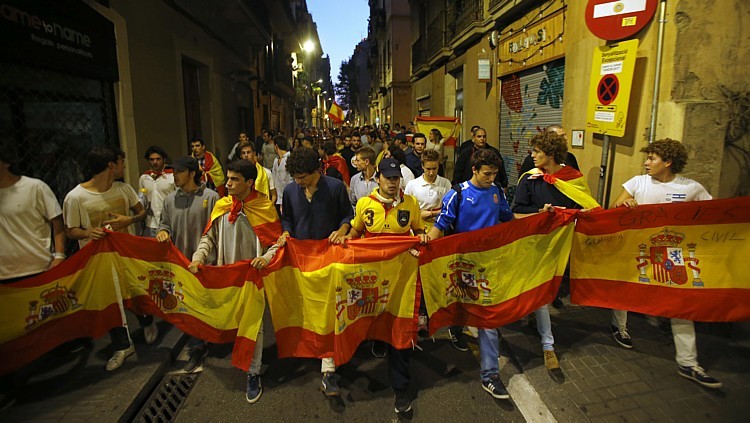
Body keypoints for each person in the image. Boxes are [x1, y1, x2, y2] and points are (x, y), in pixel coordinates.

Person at [610, 138, 721, 389]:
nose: (646, 162)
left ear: (668, 162)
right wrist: (625, 204)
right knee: (624, 291)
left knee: (680, 304)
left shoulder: (691, 188)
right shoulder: (638, 182)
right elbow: (614, 207)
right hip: (638, 249)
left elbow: (712, 214)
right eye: (647, 158)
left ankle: (688, 363)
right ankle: (619, 327)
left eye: (652, 158)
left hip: (672, 254)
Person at [338, 157, 427, 415]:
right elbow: (355, 232)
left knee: (399, 331)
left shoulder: (410, 204)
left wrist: (422, 237)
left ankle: (401, 389)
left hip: (401, 280)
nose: (392, 182)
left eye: (396, 178)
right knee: (368, 321)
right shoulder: (365, 204)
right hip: (371, 279)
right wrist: (345, 239)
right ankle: (373, 343)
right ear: (378, 178)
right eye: (388, 178)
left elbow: (420, 230)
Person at [424, 149, 514, 400]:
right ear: (474, 170)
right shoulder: (458, 193)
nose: (491, 178)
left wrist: (542, 216)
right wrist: (423, 244)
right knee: (460, 302)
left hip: (489, 264)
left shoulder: (497, 192)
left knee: (487, 319)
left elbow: (510, 220)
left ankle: (490, 375)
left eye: (494, 174)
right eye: (487, 174)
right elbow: (440, 226)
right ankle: (456, 327)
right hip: (462, 264)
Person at [189, 159, 281, 403]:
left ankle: (253, 372)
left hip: (253, 278)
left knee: (254, 326)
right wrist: (198, 258)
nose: (227, 183)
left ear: (249, 182)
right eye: (228, 178)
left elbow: (276, 244)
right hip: (227, 278)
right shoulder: (222, 205)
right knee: (232, 321)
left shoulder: (264, 207)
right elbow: (209, 237)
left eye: (234, 179)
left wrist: (265, 258)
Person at [511, 131, 600, 372]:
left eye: (537, 152)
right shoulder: (529, 178)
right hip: (536, 243)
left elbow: (586, 208)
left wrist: (577, 214)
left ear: (550, 154)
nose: (532, 155)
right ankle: (548, 345)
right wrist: (540, 213)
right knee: (542, 291)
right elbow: (516, 212)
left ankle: (533, 315)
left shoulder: (574, 178)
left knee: (545, 291)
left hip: (562, 245)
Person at [62, 146, 154, 371]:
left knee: (135, 293)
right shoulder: (75, 197)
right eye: (121, 162)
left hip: (125, 255)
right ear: (111, 166)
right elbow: (70, 230)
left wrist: (129, 220)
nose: (124, 167)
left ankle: (147, 321)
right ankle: (122, 344)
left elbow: (141, 212)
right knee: (110, 302)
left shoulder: (123, 189)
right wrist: (88, 232)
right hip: (97, 260)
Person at [277, 147, 353, 398]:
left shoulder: (335, 187)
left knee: (329, 309)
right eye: (295, 178)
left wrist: (342, 230)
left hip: (329, 259)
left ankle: (328, 368)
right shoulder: (290, 191)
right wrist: (286, 232)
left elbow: (347, 215)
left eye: (303, 177)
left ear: (317, 171)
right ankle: (310, 347)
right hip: (301, 260)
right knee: (306, 307)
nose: (299, 182)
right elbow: (287, 218)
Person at [155, 156, 220, 373]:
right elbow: (164, 225)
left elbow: (217, 229)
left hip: (206, 263)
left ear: (192, 173)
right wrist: (163, 232)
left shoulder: (211, 197)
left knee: (207, 304)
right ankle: (196, 347)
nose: (175, 175)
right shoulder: (169, 200)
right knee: (189, 307)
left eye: (179, 171)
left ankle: (212, 336)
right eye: (174, 172)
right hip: (181, 263)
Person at [404, 149, 451, 335]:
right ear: (422, 166)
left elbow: (448, 209)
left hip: (439, 231)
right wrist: (425, 214)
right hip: (417, 232)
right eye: (428, 168)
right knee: (419, 273)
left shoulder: (445, 183)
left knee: (437, 272)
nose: (431, 172)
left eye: (435, 169)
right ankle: (420, 312)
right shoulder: (413, 185)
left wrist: (431, 213)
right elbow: (408, 210)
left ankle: (436, 309)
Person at [138, 146, 175, 237]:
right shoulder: (144, 178)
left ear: (164, 160)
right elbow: (142, 198)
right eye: (152, 159)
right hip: (150, 224)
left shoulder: (172, 176)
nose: (155, 162)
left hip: (170, 223)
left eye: (158, 159)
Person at [272, 135, 293, 214]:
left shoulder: (290, 158)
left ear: (276, 146)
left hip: (289, 196)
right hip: (278, 197)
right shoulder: (276, 160)